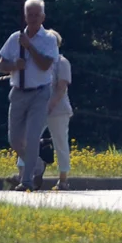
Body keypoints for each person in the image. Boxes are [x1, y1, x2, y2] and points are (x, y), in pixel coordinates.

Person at [0, 0, 59, 192]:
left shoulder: (48, 39)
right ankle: (37, 164)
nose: (32, 18)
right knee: (15, 139)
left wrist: (29, 47)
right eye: (29, 15)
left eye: (36, 15)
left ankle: (27, 181)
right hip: (18, 92)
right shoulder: (14, 38)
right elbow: (1, 65)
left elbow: (45, 65)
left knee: (32, 137)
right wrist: (15, 65)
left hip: (40, 92)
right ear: (24, 16)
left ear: (43, 17)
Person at [44, 30, 73, 190]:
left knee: (60, 142)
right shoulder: (39, 62)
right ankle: (23, 175)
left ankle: (63, 179)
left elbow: (61, 88)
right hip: (37, 108)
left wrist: (49, 106)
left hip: (59, 110)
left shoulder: (62, 62)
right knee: (27, 139)